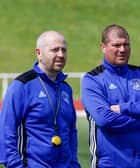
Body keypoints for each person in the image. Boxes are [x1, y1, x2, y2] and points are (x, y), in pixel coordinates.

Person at [81, 24, 140, 168]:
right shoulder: (92, 79)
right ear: (103, 47)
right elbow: (105, 119)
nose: (122, 50)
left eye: (126, 45)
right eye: (116, 45)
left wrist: (122, 108)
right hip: (110, 164)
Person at [0, 30, 81, 168]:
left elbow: (71, 131)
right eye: (55, 50)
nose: (61, 54)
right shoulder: (22, 86)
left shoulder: (66, 88)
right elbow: (6, 129)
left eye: (64, 50)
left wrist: (74, 163)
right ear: (39, 53)